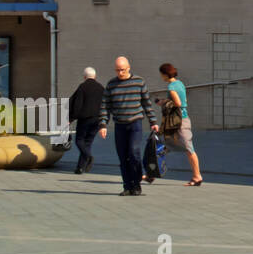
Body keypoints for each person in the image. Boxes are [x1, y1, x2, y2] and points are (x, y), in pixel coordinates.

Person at [98, 57, 158, 196]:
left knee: (134, 153)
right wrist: (103, 124)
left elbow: (147, 104)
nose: (120, 73)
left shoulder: (139, 82)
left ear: (129, 68)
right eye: (117, 70)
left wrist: (153, 122)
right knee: (123, 156)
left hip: (135, 123)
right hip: (119, 124)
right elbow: (105, 106)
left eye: (123, 70)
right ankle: (127, 186)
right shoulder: (111, 84)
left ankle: (136, 185)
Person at [157, 63, 203, 186]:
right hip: (183, 118)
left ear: (165, 74)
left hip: (179, 121)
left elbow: (177, 103)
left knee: (189, 148)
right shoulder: (180, 83)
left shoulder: (171, 87)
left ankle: (197, 176)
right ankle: (152, 173)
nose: (161, 77)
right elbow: (185, 100)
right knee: (169, 143)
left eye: (161, 74)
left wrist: (163, 102)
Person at [68, 67, 104, 174]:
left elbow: (77, 104)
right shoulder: (101, 88)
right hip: (97, 119)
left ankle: (89, 157)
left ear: (84, 77)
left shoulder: (82, 87)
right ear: (95, 76)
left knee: (79, 141)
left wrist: (70, 118)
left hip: (85, 119)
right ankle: (80, 168)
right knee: (87, 143)